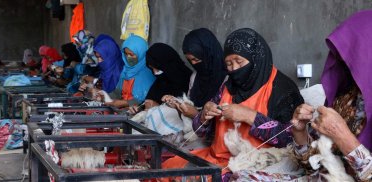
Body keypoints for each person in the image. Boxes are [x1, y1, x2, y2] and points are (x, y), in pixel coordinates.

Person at [162, 28, 304, 181]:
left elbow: (292, 142)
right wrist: (204, 116)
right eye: (229, 63)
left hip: (253, 164)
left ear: (256, 58)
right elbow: (204, 133)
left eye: (239, 61)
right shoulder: (228, 86)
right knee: (167, 169)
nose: (234, 69)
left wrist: (250, 116)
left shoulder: (282, 90)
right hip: (218, 159)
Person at [290, 10, 372, 181]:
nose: (343, 63)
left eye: (353, 56)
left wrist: (343, 137)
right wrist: (300, 134)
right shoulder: (348, 98)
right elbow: (313, 167)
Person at [161, 28, 227, 119]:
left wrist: (196, 115)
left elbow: (222, 120)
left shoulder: (227, 80)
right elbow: (189, 105)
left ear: (208, 54)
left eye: (196, 59)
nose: (194, 64)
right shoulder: (195, 76)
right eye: (190, 60)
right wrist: (178, 105)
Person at [129, 43, 192, 112]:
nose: (155, 73)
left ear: (169, 65)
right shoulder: (162, 80)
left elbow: (186, 113)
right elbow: (148, 101)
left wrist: (157, 108)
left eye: (158, 69)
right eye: (152, 69)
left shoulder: (188, 81)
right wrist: (139, 108)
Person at [105, 35, 155, 108]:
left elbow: (143, 100)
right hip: (122, 111)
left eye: (132, 55)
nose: (128, 57)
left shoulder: (147, 74)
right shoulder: (126, 70)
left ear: (141, 53)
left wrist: (124, 103)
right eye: (126, 54)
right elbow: (117, 92)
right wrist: (105, 96)